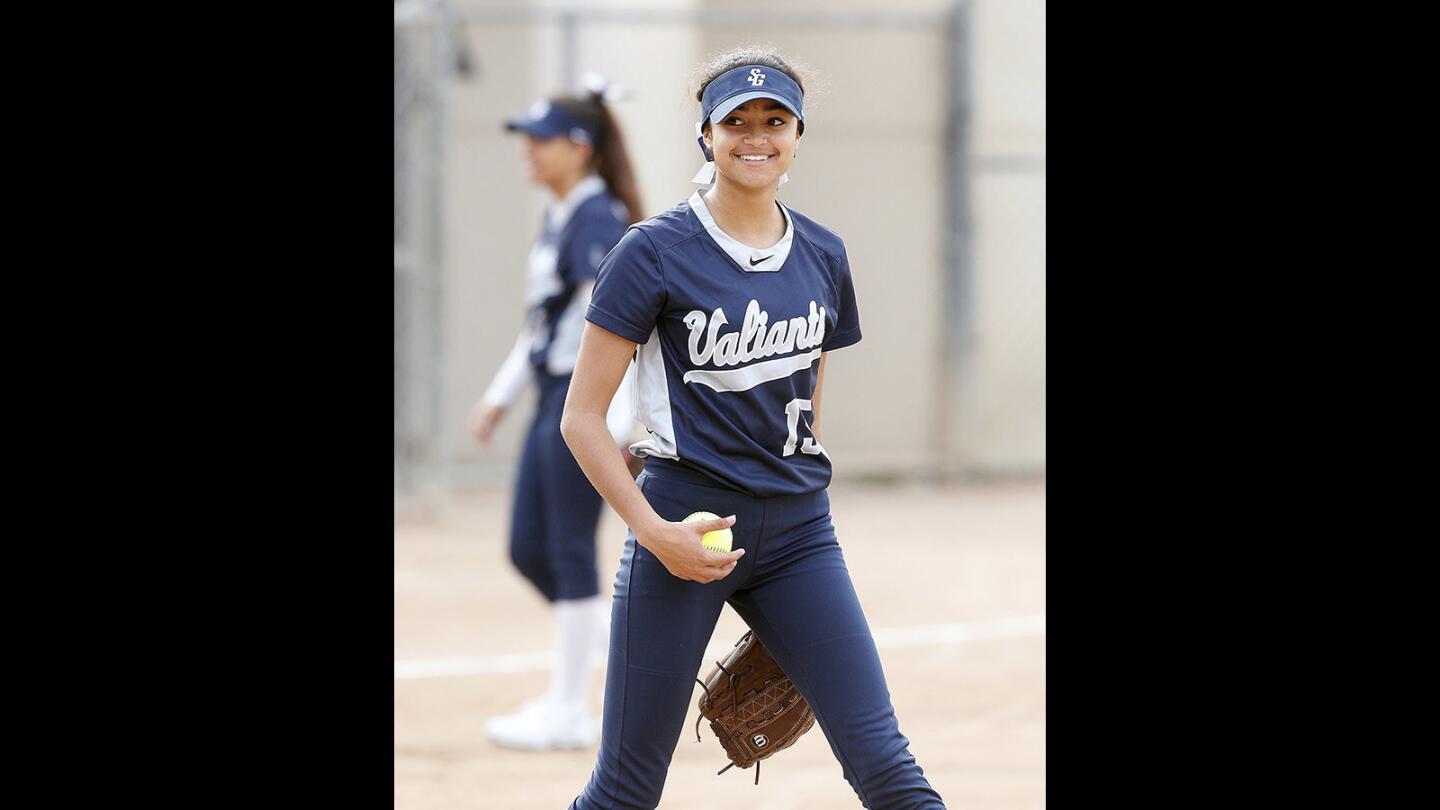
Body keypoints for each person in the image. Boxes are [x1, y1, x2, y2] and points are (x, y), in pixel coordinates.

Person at [558, 48, 949, 809]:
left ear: (799, 134)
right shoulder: (652, 252)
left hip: (802, 536)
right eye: (735, 120)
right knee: (625, 789)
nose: (756, 135)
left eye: (775, 120)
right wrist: (652, 530)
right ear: (706, 135)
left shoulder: (825, 254)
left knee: (887, 767)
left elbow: (808, 401)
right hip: (685, 531)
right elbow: (582, 420)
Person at [467, 79, 645, 751]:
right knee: (527, 549)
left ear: (580, 147)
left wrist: (616, 422)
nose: (529, 151)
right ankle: (632, 654)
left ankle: (570, 708)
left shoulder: (601, 223)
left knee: (570, 551)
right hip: (551, 397)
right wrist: (499, 395)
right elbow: (544, 324)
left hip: (587, 402)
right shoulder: (563, 213)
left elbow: (622, 332)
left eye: (542, 139)